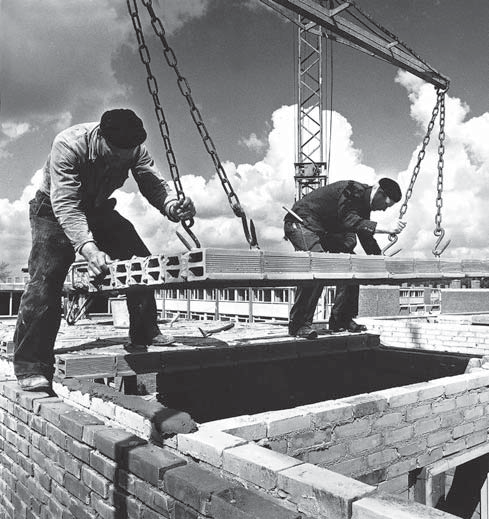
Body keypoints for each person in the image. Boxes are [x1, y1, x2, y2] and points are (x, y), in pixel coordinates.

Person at [14, 108, 195, 391]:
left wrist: (173, 206)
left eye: (129, 154)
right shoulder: (69, 144)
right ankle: (30, 365)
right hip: (52, 209)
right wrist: (88, 248)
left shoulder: (134, 149)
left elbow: (152, 185)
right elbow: (67, 205)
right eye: (116, 154)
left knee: (141, 260)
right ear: (100, 137)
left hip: (97, 209)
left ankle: (144, 331)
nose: (124, 159)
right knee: (46, 279)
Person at [284, 178, 406, 339]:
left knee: (352, 265)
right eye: (386, 205)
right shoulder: (352, 190)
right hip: (300, 222)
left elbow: (364, 234)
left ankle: (341, 319)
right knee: (318, 265)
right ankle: (298, 325)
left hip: (321, 231)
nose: (383, 210)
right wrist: (386, 228)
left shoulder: (363, 205)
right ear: (380, 194)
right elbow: (348, 220)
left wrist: (379, 261)